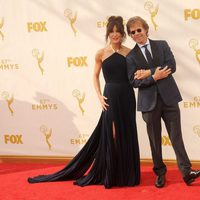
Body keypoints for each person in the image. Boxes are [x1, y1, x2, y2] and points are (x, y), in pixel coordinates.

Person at [28, 16, 140, 189]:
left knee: (127, 132)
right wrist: (99, 96)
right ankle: (111, 172)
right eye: (112, 31)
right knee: (113, 133)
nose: (115, 34)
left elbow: (135, 74)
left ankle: (126, 174)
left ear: (123, 34)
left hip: (127, 96)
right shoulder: (101, 53)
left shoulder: (129, 52)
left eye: (118, 31)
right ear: (108, 33)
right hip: (109, 96)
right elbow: (95, 76)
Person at [126, 16, 200, 188]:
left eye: (139, 30)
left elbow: (171, 66)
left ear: (146, 29)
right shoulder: (131, 57)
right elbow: (133, 81)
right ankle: (160, 173)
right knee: (154, 141)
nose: (137, 34)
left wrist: (149, 72)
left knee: (176, 137)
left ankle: (187, 172)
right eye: (132, 32)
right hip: (149, 104)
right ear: (130, 36)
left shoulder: (162, 44)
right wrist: (154, 76)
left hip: (169, 98)